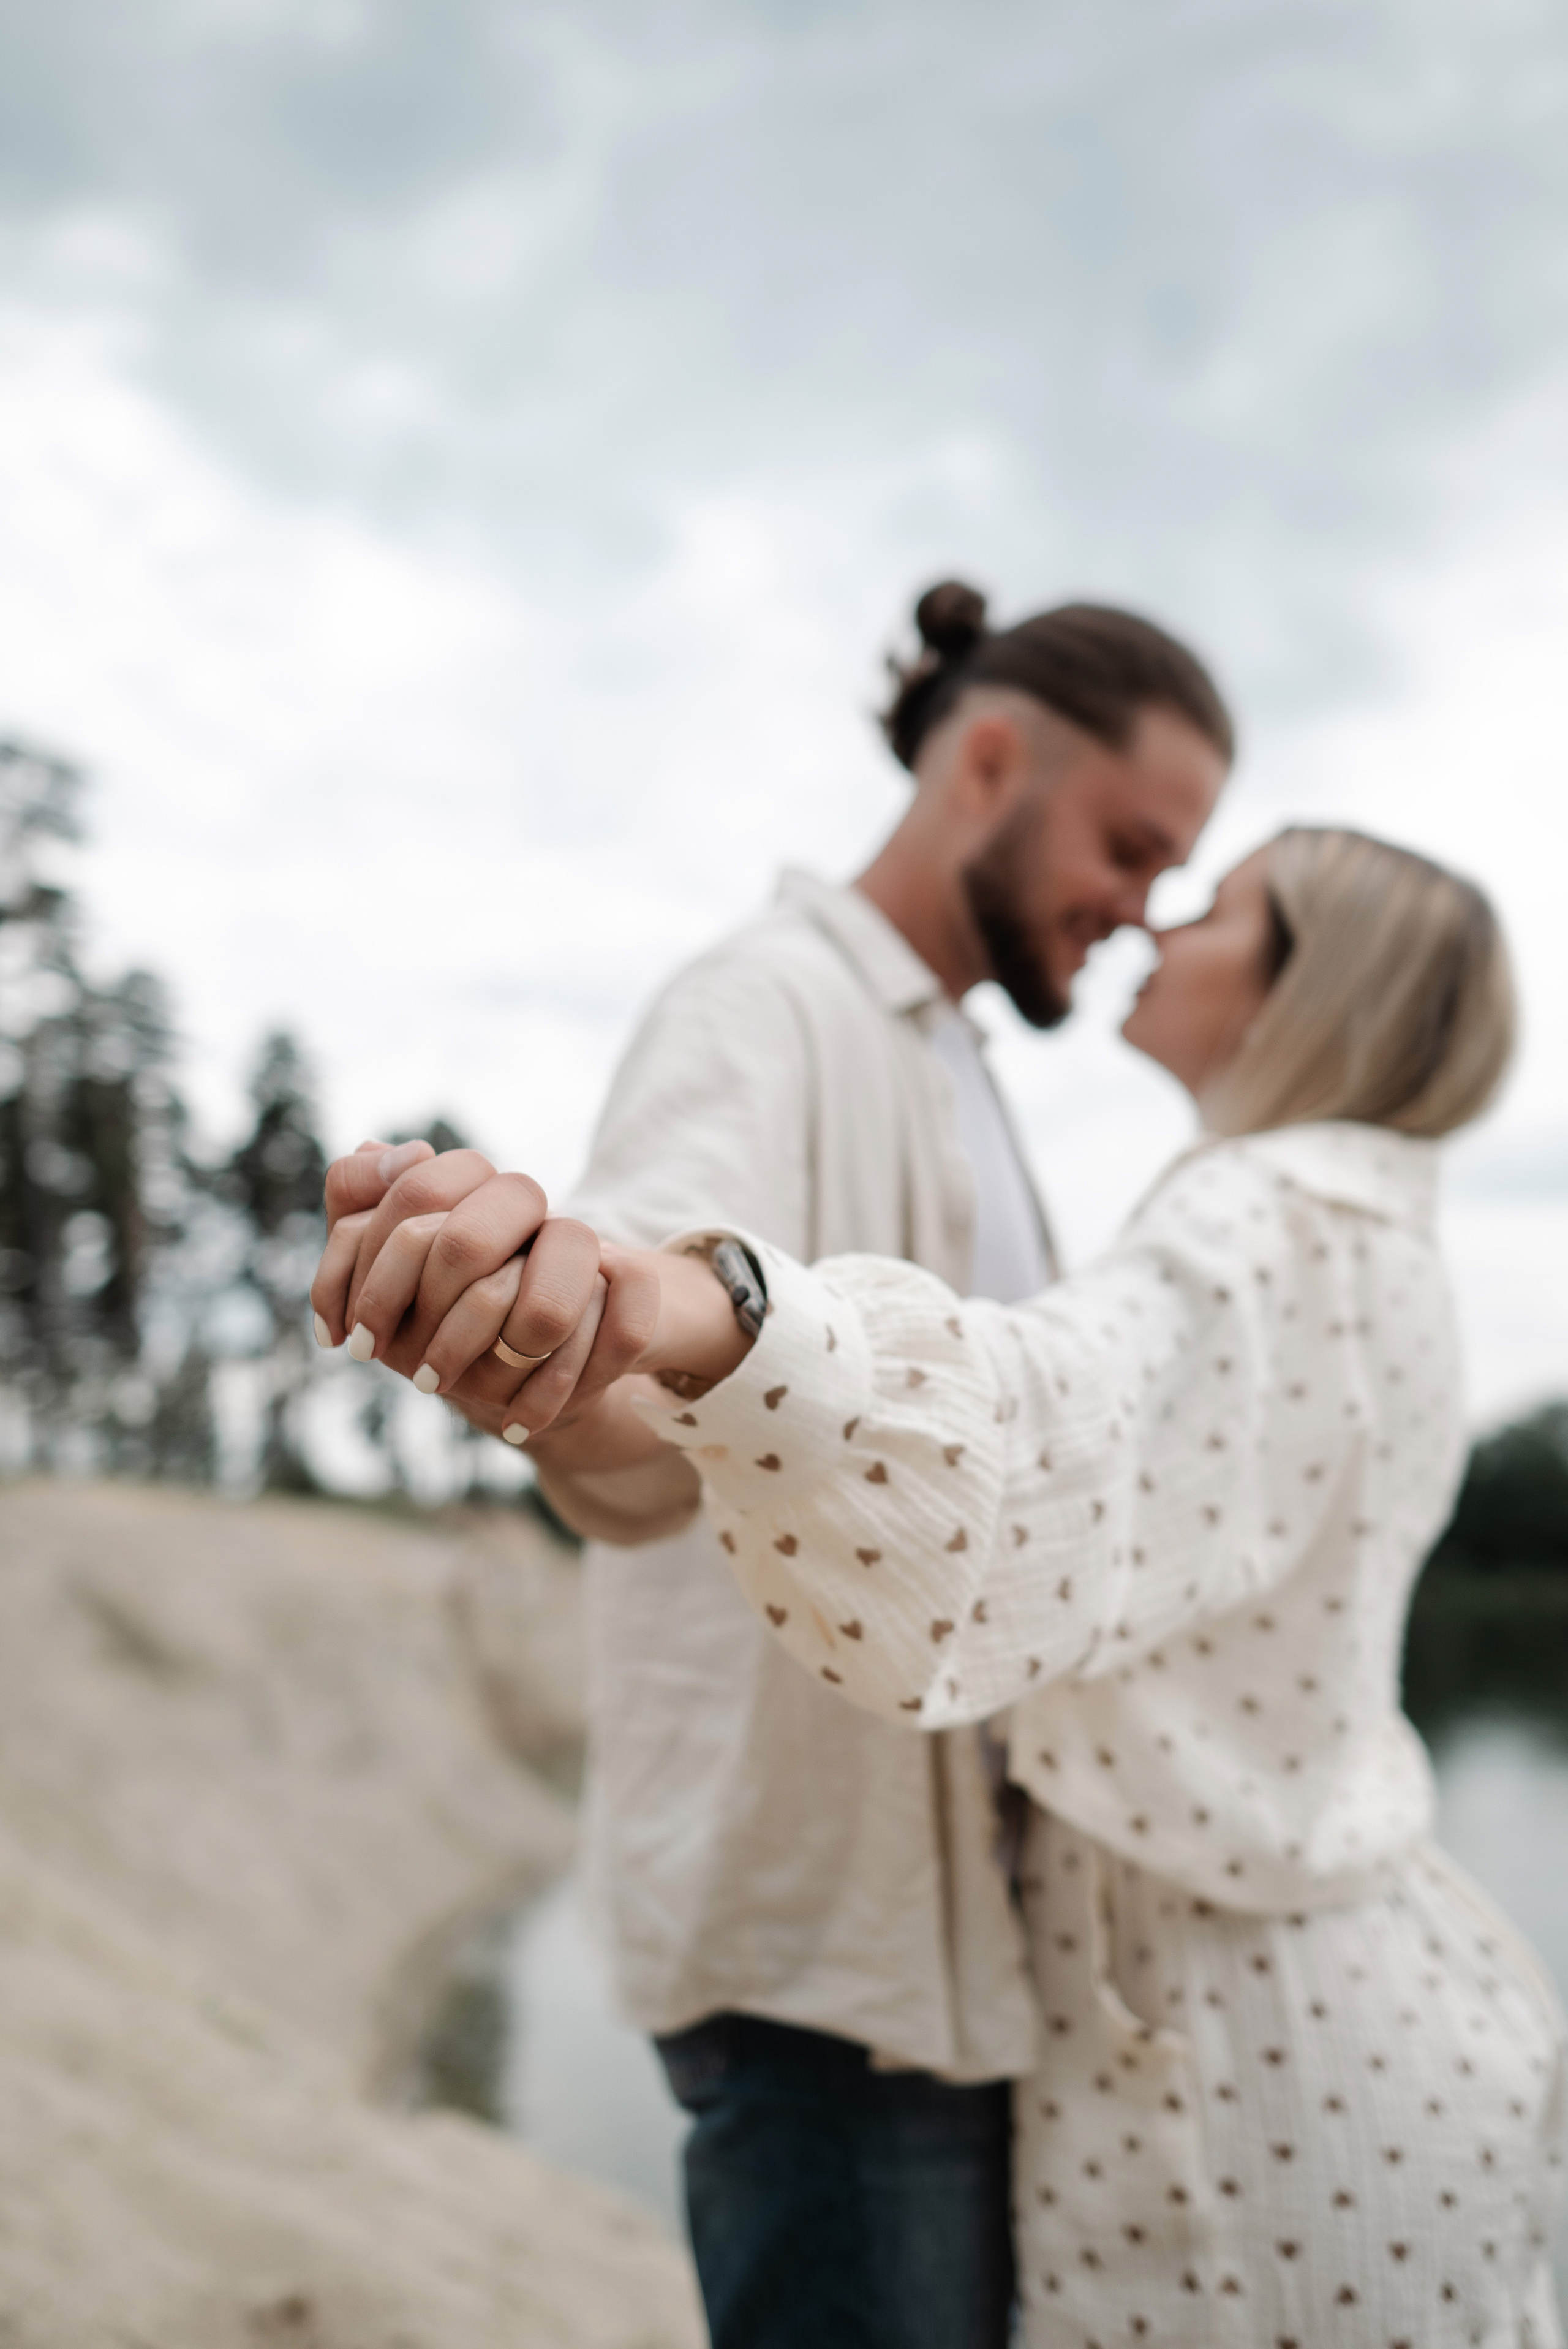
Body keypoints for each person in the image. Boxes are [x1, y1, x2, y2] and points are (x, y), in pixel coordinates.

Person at [323, 826, 1564, 2346]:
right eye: (1133, 850)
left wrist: (707, 1308)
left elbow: (1058, 1427)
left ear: (1317, 995)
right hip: (1287, 2032)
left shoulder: (1265, 1225)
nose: (1157, 918)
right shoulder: (1351, 1237)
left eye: (1214, 901)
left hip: (1256, 2069)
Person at [312, 580, 1234, 2348]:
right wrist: (550, 1336)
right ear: (989, 759)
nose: (1139, 908)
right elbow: (641, 1423)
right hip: (830, 1986)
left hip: (958, 1967)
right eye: (1129, 846)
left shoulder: (954, 1064)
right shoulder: (761, 1006)